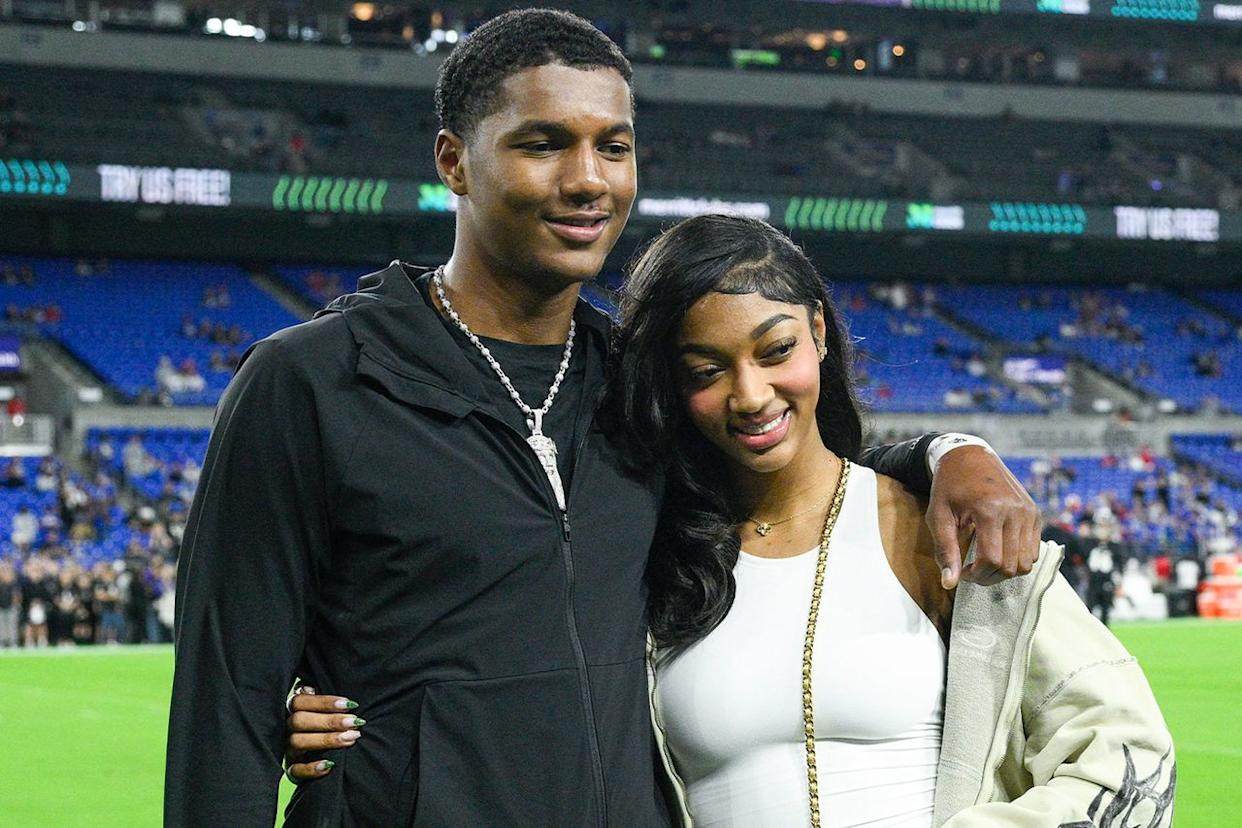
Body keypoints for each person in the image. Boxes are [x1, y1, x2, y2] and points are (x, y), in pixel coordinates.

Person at [167, 10, 1039, 826]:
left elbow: (788, 459)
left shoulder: (640, 382)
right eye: (543, 144)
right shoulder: (311, 384)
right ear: (454, 162)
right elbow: (226, 710)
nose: (587, 180)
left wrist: (948, 454)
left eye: (611, 147)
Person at [288, 216, 1174, 826]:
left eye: (776, 350)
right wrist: (334, 705)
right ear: (670, 387)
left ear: (820, 333)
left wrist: (952, 451)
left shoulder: (948, 531)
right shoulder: (643, 552)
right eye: (706, 369)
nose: (751, 396)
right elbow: (507, 672)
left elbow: (1131, 751)